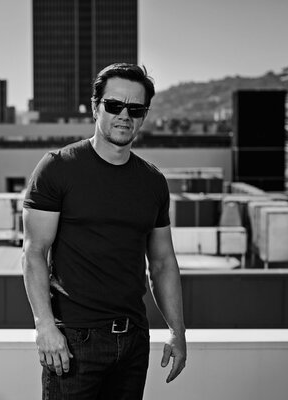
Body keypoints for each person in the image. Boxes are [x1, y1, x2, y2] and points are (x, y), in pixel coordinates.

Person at [21, 63, 186, 399]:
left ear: (143, 116)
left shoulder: (153, 182)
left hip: (133, 342)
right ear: (96, 106)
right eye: (114, 105)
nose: (124, 115)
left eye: (135, 109)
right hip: (73, 342)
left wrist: (177, 331)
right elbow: (34, 252)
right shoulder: (58, 167)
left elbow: (163, 263)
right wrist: (45, 326)